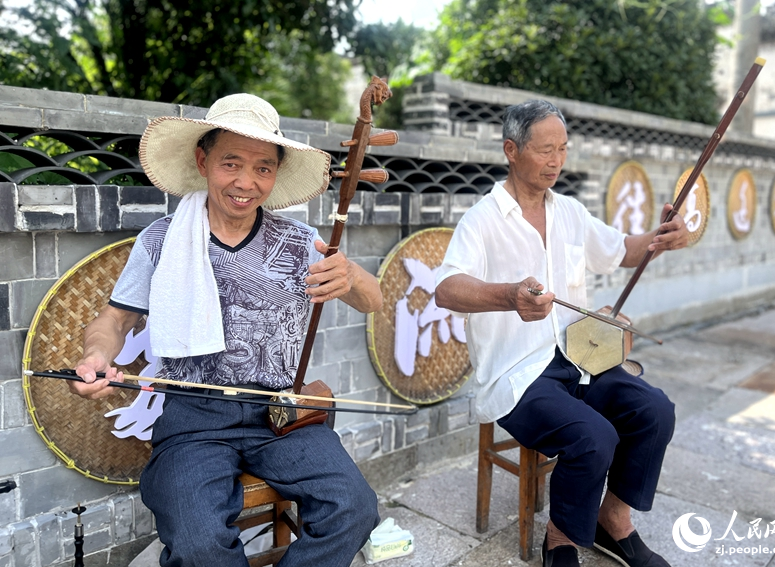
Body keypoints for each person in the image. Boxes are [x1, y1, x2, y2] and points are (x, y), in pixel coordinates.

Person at [70, 93, 382, 567]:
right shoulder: (160, 240)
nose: (245, 182)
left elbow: (373, 299)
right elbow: (115, 320)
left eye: (262, 168)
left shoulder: (301, 242)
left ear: (275, 174)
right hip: (194, 420)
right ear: (203, 160)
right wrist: (97, 355)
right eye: (230, 163)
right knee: (197, 544)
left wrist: (352, 276)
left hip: (280, 414)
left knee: (355, 508)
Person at [435, 99, 689, 567]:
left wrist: (660, 237)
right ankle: (561, 537)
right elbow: (447, 290)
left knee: (655, 410)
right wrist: (509, 295)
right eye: (545, 149)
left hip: (580, 359)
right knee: (593, 437)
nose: (556, 161)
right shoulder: (483, 220)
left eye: (563, 149)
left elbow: (623, 250)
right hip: (517, 375)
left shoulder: (570, 212)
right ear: (511, 149)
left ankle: (613, 521)